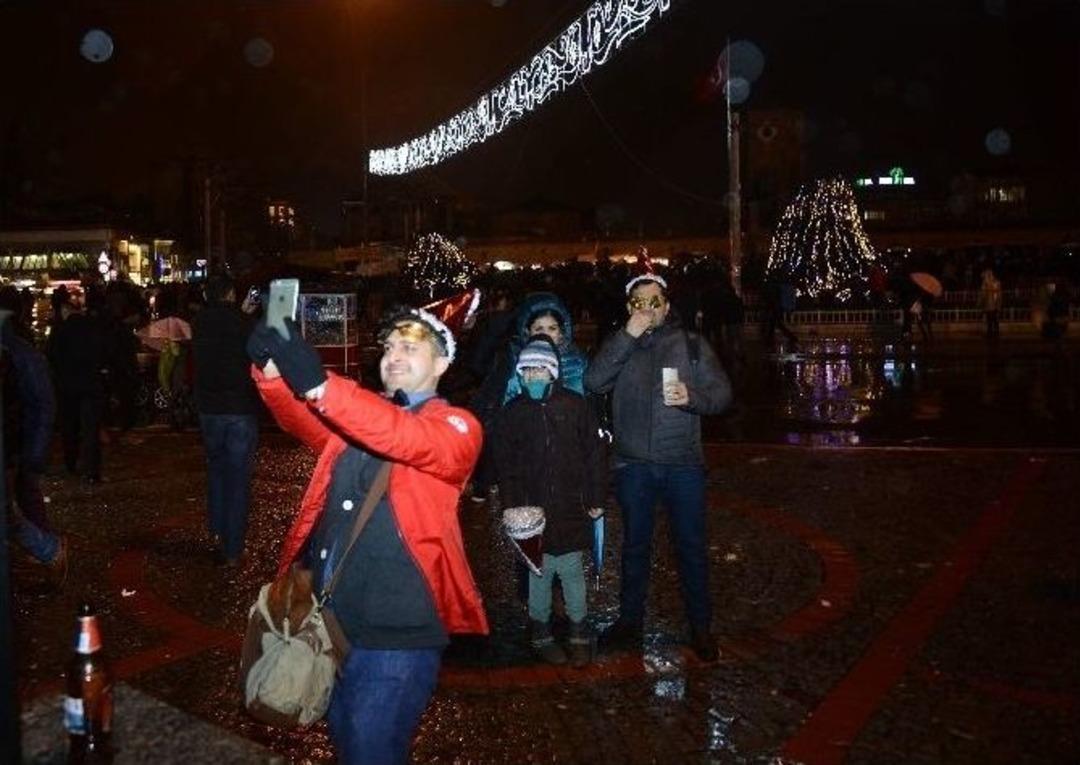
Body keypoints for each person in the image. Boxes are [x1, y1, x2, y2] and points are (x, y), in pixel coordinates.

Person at [246, 305, 488, 765]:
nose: (393, 355)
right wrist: (273, 372)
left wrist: (319, 383)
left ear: (442, 363)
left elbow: (404, 437)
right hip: (334, 622)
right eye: (389, 347)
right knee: (344, 737)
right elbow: (308, 421)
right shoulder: (368, 414)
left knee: (369, 750)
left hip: (398, 631)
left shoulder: (458, 427)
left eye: (410, 348)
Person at [585, 271, 732, 663]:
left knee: (691, 548)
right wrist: (626, 335)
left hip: (683, 464)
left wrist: (693, 397)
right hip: (633, 466)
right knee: (634, 547)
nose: (647, 309)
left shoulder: (691, 344)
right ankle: (629, 623)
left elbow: (722, 394)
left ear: (667, 307)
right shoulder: (622, 343)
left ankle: (701, 627)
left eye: (655, 301)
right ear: (629, 307)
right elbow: (594, 380)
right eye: (639, 302)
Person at [493, 335, 605, 667]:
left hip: (571, 506)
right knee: (537, 571)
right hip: (531, 512)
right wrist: (512, 503)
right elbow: (506, 463)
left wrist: (596, 496)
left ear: (554, 372)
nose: (534, 377)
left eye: (541, 370)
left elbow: (595, 455)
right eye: (527, 371)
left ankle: (578, 626)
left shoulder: (575, 405)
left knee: (571, 569)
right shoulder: (513, 413)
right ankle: (539, 628)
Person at [192, 274, 260, 566]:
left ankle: (218, 529)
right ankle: (233, 548)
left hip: (209, 409)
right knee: (238, 478)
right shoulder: (243, 322)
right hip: (239, 408)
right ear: (232, 294)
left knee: (217, 469)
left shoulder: (199, 323)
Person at [1, 305, 67, 584]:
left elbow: (40, 405)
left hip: (18, 444)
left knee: (14, 507)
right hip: (21, 443)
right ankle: (46, 552)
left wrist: (33, 452)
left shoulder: (15, 355)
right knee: (22, 500)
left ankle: (48, 551)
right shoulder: (20, 352)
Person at [46, 289, 106, 484]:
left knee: (69, 426)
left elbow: (51, 356)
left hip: (67, 385)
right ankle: (91, 470)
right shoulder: (93, 327)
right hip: (90, 382)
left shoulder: (60, 330)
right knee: (90, 429)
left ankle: (71, 462)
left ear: (65, 310)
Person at [978, 268, 1002, 339]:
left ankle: (992, 334)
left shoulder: (988, 283)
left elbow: (983, 295)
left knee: (992, 320)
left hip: (991, 304)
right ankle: (993, 334)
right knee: (992, 320)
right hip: (991, 304)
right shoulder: (989, 283)